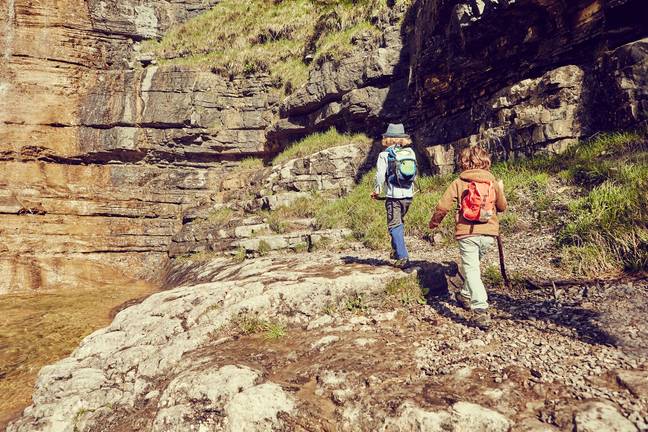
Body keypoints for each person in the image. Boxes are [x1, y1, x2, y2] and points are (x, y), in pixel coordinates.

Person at [428, 146, 507, 330]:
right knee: (473, 268)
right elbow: (502, 207)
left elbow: (443, 205)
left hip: (467, 233)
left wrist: (434, 223)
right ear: (485, 160)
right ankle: (464, 295)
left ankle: (480, 309)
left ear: (464, 162)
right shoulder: (492, 181)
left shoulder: (459, 182)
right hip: (488, 234)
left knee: (472, 271)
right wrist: (500, 191)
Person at [371, 123, 417, 269]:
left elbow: (380, 175)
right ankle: (396, 252)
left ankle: (403, 257)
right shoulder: (410, 152)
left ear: (388, 139)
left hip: (393, 196)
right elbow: (414, 174)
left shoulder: (384, 155)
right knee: (398, 223)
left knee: (394, 225)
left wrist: (377, 190)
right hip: (409, 196)